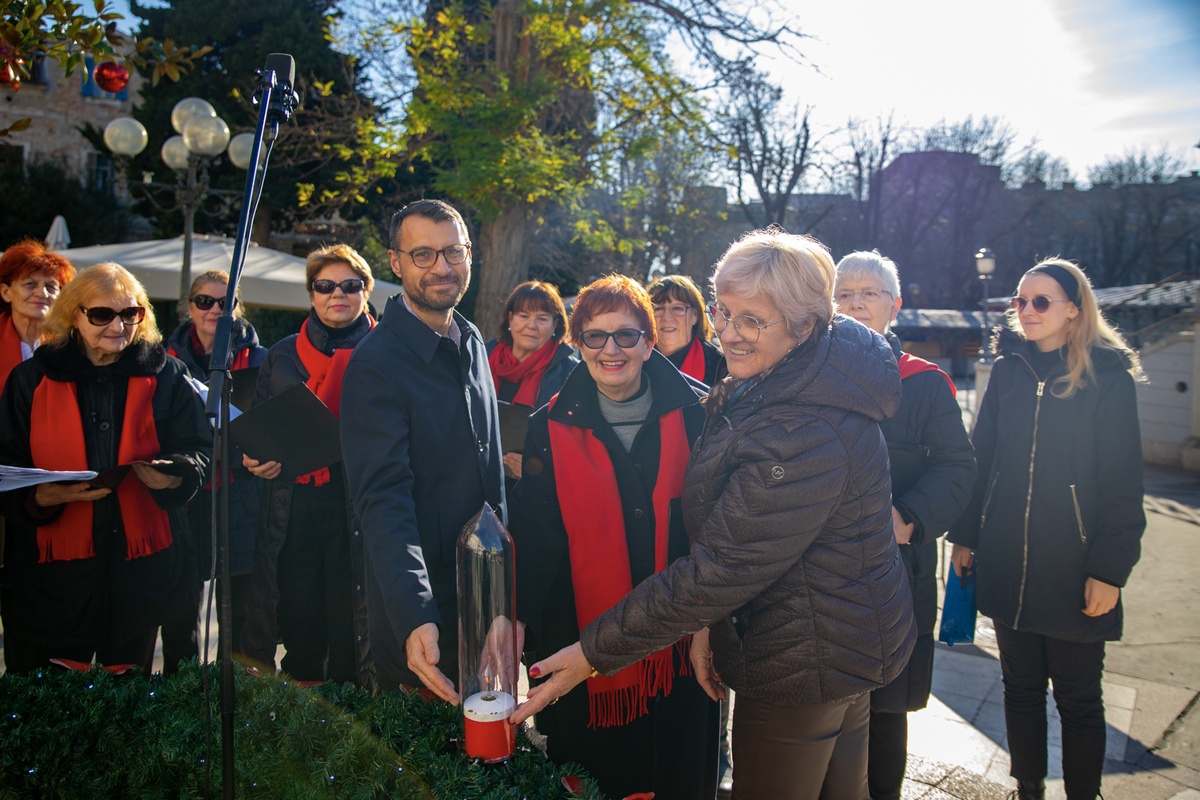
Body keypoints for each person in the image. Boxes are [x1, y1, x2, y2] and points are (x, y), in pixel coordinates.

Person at [512, 228, 917, 800]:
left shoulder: (800, 427)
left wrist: (589, 654)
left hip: (804, 658)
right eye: (724, 313)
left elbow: (719, 568)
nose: (727, 332)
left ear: (803, 326)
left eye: (752, 320)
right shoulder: (789, 376)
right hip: (823, 641)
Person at [509, 274, 717, 800]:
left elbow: (718, 532)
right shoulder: (547, 426)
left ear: (649, 342)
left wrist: (714, 623)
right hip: (581, 640)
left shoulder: (702, 412)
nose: (611, 349)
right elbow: (534, 538)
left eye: (626, 335)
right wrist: (513, 619)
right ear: (577, 345)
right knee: (594, 783)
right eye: (595, 336)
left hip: (681, 645)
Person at [948, 259, 1145, 800]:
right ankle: (1028, 787)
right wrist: (967, 534)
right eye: (1019, 301)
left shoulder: (1108, 376)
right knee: (1020, 690)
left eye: (1041, 301)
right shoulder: (1008, 370)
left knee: (1079, 699)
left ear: (1073, 309)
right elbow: (979, 457)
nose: (1026, 311)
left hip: (1076, 566)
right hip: (1008, 560)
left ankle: (1085, 793)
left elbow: (1123, 482)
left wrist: (1110, 569)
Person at [0, 262, 210, 674]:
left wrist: (176, 473)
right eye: (102, 315)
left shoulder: (166, 373)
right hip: (51, 579)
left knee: (127, 698)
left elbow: (198, 447)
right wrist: (39, 496)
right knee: (50, 703)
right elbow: (7, 464)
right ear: (73, 316)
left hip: (140, 572)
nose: (118, 325)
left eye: (130, 314)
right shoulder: (31, 378)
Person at [341, 199, 504, 699]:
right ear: (395, 262)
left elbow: (491, 479)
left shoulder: (472, 340)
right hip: (423, 616)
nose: (442, 268)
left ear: (471, 255)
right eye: (424, 255)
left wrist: (503, 601)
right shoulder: (375, 364)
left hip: (484, 602)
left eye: (453, 252)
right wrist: (416, 614)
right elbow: (383, 501)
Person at [834, 251, 977, 800]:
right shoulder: (806, 375)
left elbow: (958, 468)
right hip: (820, 573)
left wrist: (908, 516)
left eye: (868, 292)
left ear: (895, 305)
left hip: (895, 570)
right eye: (843, 292)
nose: (855, 302)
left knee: (885, 712)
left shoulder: (923, 383)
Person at [240, 244, 376, 684]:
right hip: (292, 502)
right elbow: (261, 420)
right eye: (325, 286)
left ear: (365, 291)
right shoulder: (281, 354)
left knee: (351, 616)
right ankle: (303, 714)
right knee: (300, 613)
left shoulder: (384, 351)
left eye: (350, 285)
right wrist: (255, 458)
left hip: (357, 502)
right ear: (311, 294)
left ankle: (352, 716)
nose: (338, 294)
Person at [160, 270, 268, 675]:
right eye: (204, 301)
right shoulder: (164, 362)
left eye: (225, 303)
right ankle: (181, 701)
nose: (215, 310)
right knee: (180, 615)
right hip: (186, 498)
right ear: (189, 307)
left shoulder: (260, 359)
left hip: (240, 497)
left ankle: (237, 703)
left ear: (237, 309)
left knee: (237, 614)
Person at [486, 280, 578, 488]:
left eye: (542, 318)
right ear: (510, 318)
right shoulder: (480, 358)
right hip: (479, 480)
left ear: (555, 325)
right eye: (524, 316)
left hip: (534, 493)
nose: (531, 326)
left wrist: (539, 468)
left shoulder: (572, 374)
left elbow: (578, 444)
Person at [0, 240, 75, 388]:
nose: (42, 293)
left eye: (51, 286)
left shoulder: (72, 341)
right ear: (5, 292)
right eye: (30, 284)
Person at [647, 274, 725, 386]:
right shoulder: (636, 360)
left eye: (677, 308)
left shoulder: (721, 367)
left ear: (695, 315)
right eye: (658, 309)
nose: (667, 317)